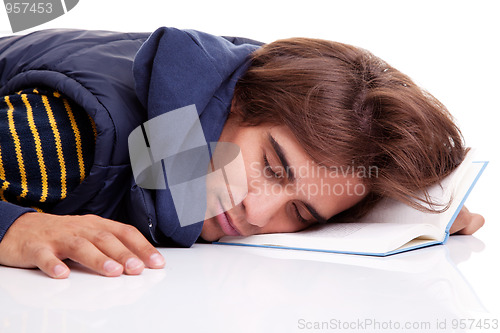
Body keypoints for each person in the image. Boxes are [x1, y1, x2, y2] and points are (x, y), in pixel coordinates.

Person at [0, 27, 484, 279]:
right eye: (272, 167)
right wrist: (14, 227)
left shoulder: (240, 79)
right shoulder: (67, 142)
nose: (257, 211)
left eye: (300, 211)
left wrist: (400, 209)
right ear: (238, 102)